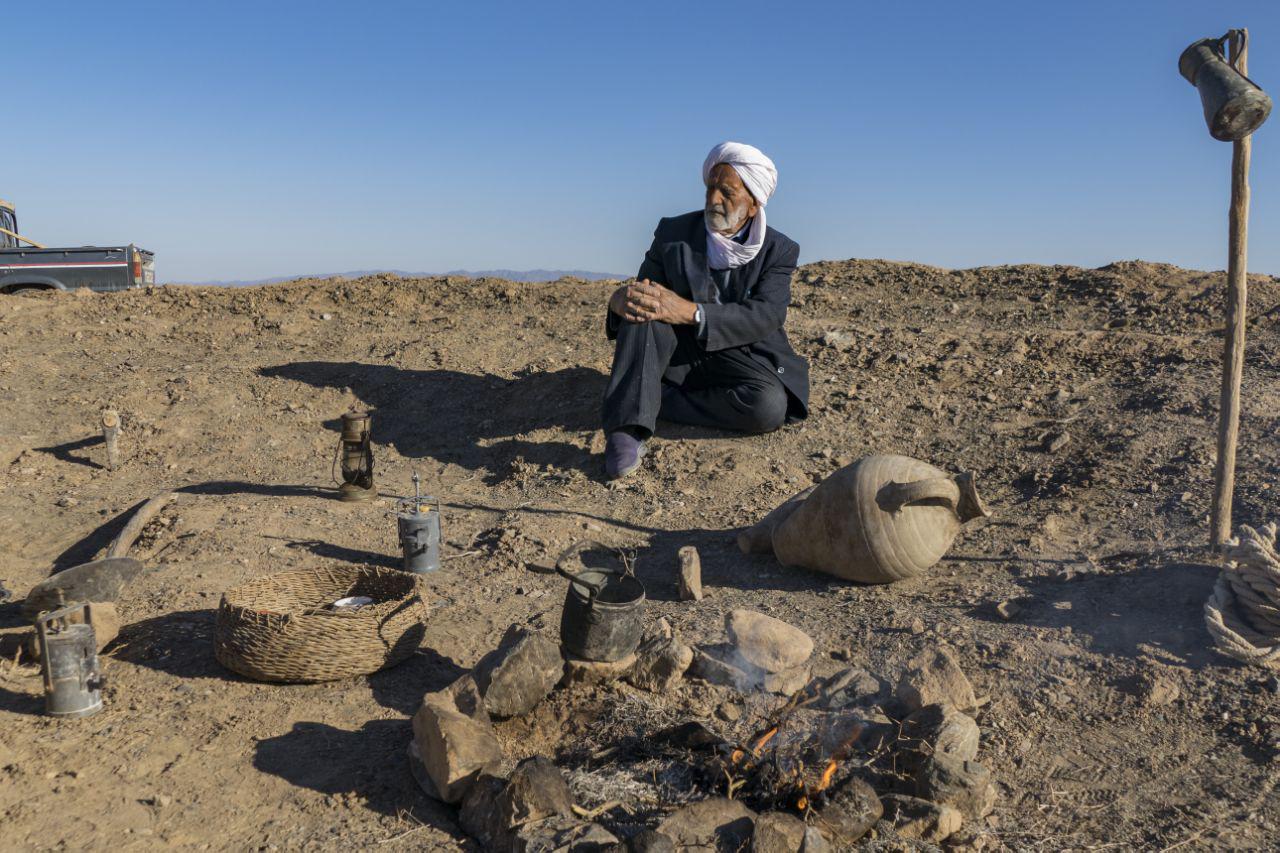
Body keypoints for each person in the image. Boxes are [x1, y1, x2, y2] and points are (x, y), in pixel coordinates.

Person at [600, 141, 809, 479]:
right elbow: (643, 291)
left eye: (727, 192)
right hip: (678, 349)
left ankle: (652, 398)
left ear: (754, 204)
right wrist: (617, 301)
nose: (713, 200)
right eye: (710, 188)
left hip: (741, 353)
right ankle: (628, 428)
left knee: (767, 408)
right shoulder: (673, 234)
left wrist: (692, 312)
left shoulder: (778, 250)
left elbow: (767, 314)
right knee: (647, 308)